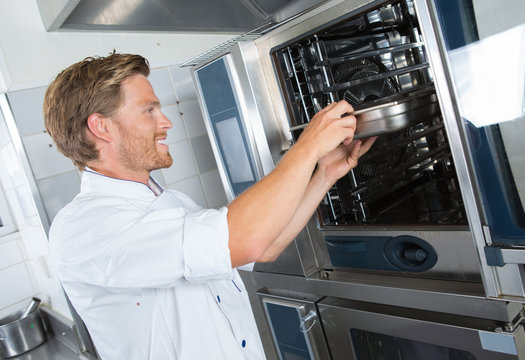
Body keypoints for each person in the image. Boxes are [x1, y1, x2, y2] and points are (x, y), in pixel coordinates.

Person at [43, 52, 376, 360]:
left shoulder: (170, 202)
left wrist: (326, 173)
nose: (166, 122)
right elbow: (247, 238)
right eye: (149, 110)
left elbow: (267, 245)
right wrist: (307, 148)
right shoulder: (85, 228)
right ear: (101, 127)